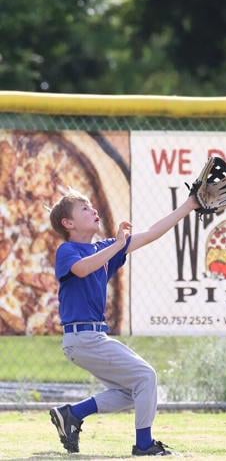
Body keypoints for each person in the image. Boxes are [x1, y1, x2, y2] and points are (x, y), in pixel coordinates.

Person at [47, 187, 199, 456]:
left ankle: (72, 414)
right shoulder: (67, 250)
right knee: (145, 376)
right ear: (68, 223)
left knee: (133, 390)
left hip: (91, 339)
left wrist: (190, 204)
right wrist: (117, 244)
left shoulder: (103, 248)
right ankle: (144, 445)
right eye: (84, 209)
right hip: (82, 338)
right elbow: (82, 269)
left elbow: (152, 233)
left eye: (92, 206)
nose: (93, 210)